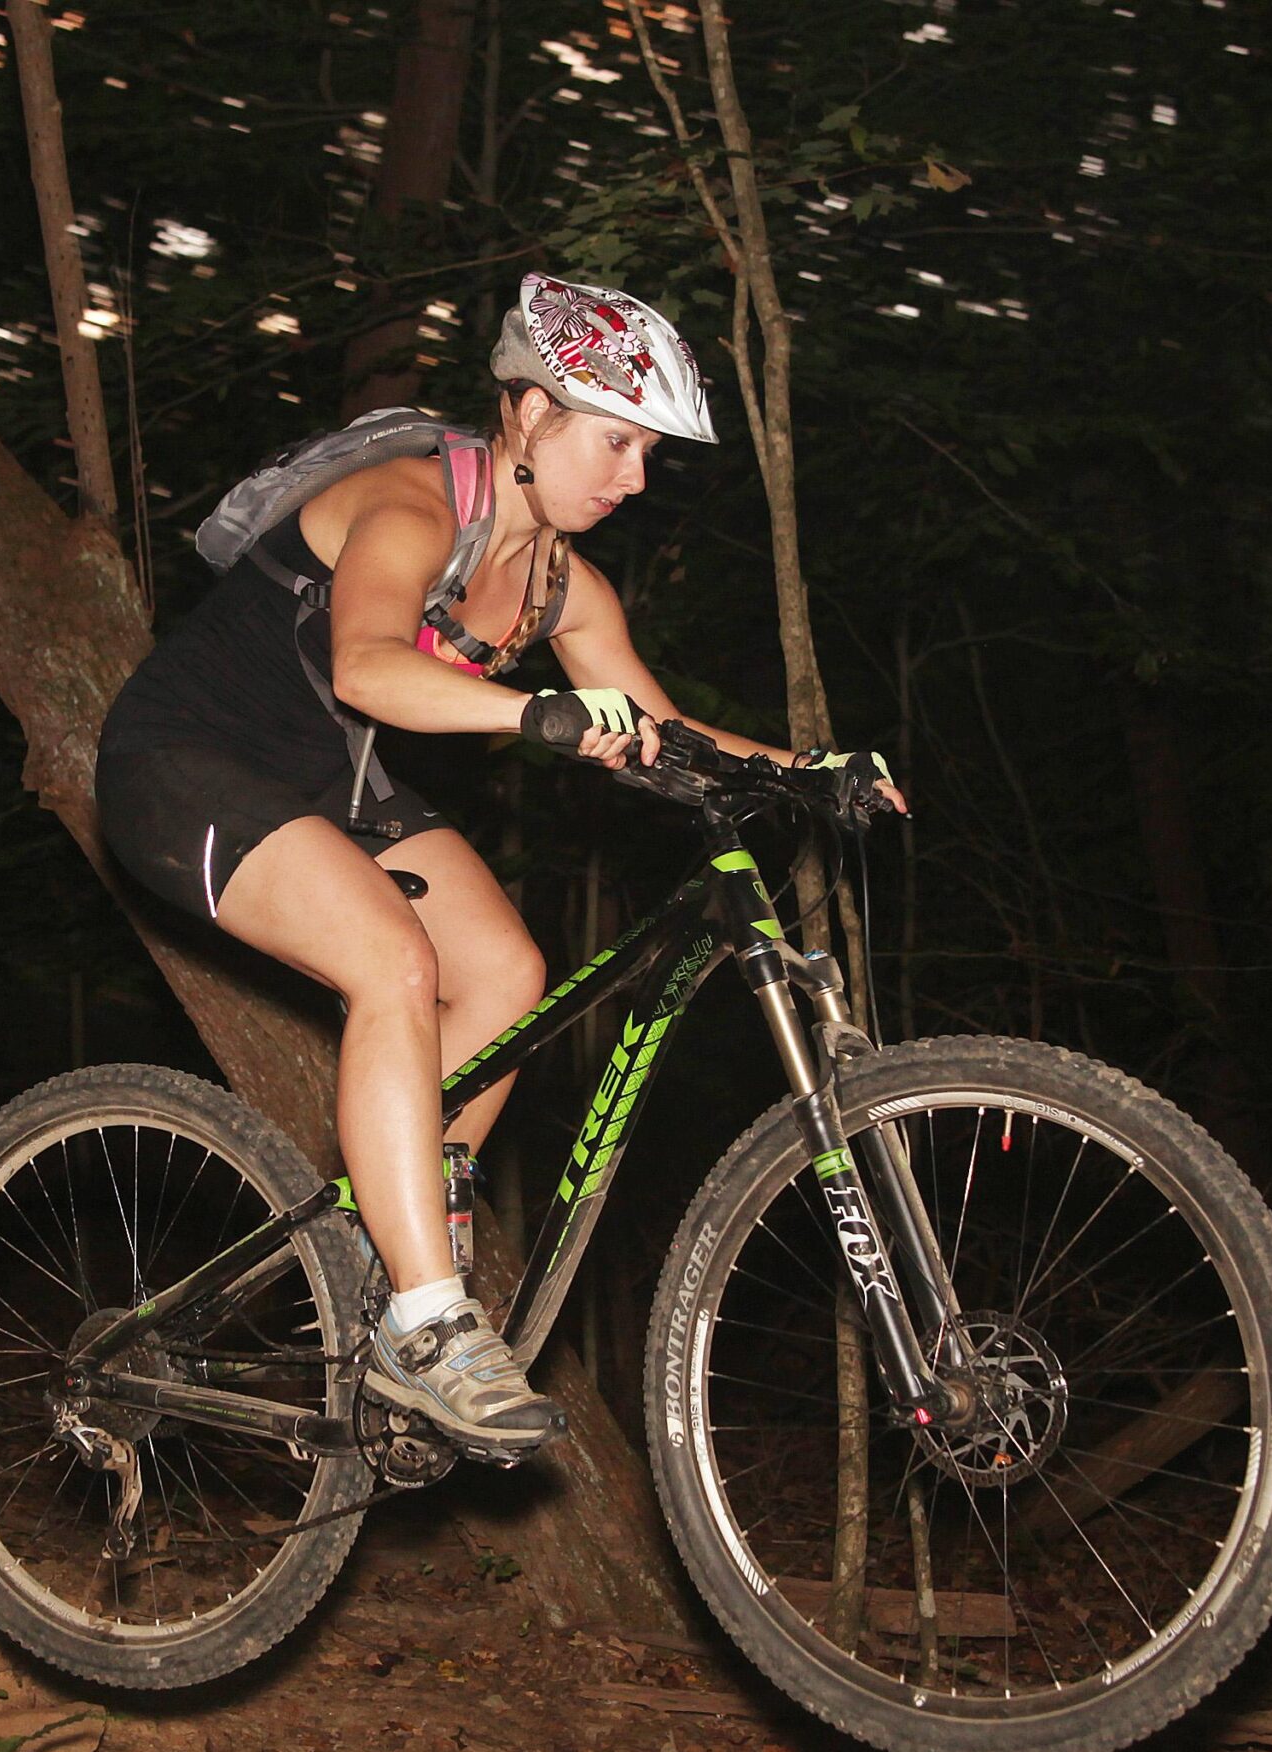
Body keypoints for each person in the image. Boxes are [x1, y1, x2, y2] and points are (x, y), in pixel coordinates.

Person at [95, 274, 896, 1459]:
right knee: (393, 960)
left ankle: (400, 1235)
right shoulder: (410, 504)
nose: (631, 478)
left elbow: (661, 728)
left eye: (647, 455)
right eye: (616, 441)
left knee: (508, 972)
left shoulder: (562, 579)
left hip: (332, 785)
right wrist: (541, 717)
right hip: (183, 762)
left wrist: (808, 769)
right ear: (526, 412)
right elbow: (367, 668)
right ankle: (426, 1323)